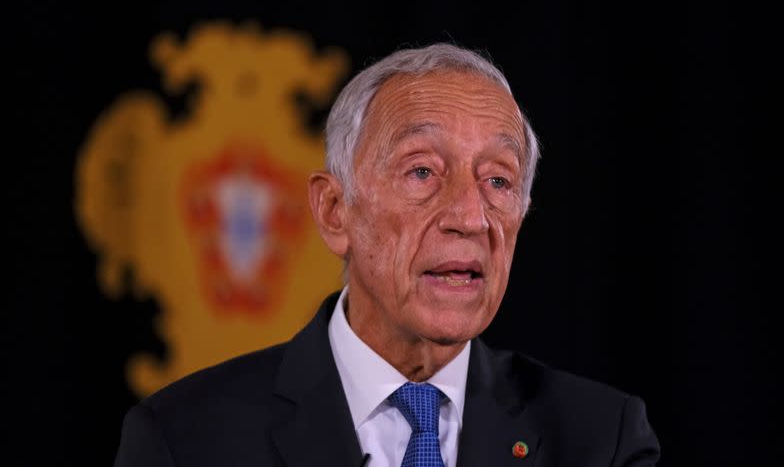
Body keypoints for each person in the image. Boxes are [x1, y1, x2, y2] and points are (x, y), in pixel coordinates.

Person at [114, 43, 660, 466]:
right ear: (334, 211)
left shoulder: (600, 440)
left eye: (498, 180)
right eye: (422, 172)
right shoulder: (185, 441)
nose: (470, 217)